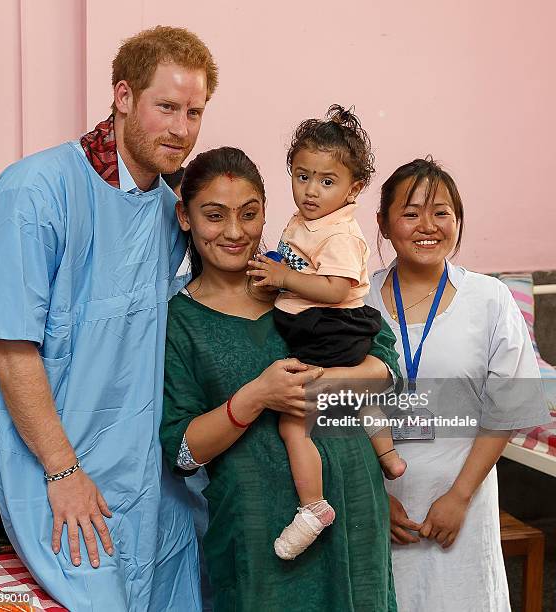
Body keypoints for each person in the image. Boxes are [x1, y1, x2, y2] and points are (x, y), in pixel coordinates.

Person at [0, 26, 217, 611]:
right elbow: (8, 347)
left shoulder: (166, 211)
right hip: (62, 476)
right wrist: (61, 472)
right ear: (123, 96)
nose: (182, 129)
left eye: (194, 112)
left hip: (153, 483)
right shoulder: (36, 190)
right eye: (166, 107)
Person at [161, 146, 399, 612]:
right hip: (258, 532)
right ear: (184, 217)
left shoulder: (305, 280)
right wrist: (256, 396)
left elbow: (384, 369)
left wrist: (318, 382)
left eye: (249, 214)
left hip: (352, 510)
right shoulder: (180, 322)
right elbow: (182, 450)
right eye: (214, 215)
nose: (234, 232)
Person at [365, 157, 551, 611]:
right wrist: (373, 500)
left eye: (442, 212)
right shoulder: (358, 301)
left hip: (463, 503)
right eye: (410, 213)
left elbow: (506, 408)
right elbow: (336, 407)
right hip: (380, 508)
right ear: (384, 224)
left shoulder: (490, 299)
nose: (427, 225)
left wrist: (459, 497)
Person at [247, 105, 406, 560]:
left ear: (354, 187)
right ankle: (388, 455)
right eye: (302, 176)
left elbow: (335, 289)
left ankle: (313, 507)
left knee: (294, 421)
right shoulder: (306, 222)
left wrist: (283, 279)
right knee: (355, 390)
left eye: (327, 181)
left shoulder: (341, 234)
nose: (311, 190)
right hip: (321, 326)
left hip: (331, 326)